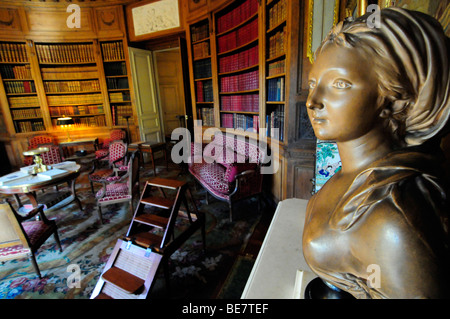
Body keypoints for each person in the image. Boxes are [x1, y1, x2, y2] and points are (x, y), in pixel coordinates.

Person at [302, 7, 450, 298]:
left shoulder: (393, 219)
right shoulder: (355, 174)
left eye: (339, 84)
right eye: (313, 84)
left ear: (392, 100)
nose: (312, 101)